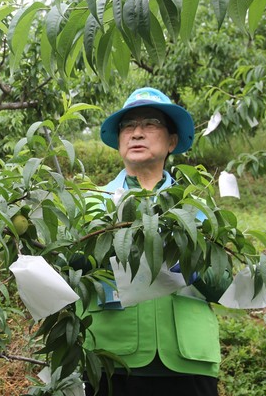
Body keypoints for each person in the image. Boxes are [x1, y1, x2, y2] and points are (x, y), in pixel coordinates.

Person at [82, 87, 231, 396]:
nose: (137, 133)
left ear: (172, 141)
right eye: (128, 125)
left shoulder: (196, 207)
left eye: (150, 123)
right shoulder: (93, 203)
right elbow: (72, 270)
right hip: (113, 357)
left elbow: (221, 283)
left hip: (187, 359)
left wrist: (187, 261)